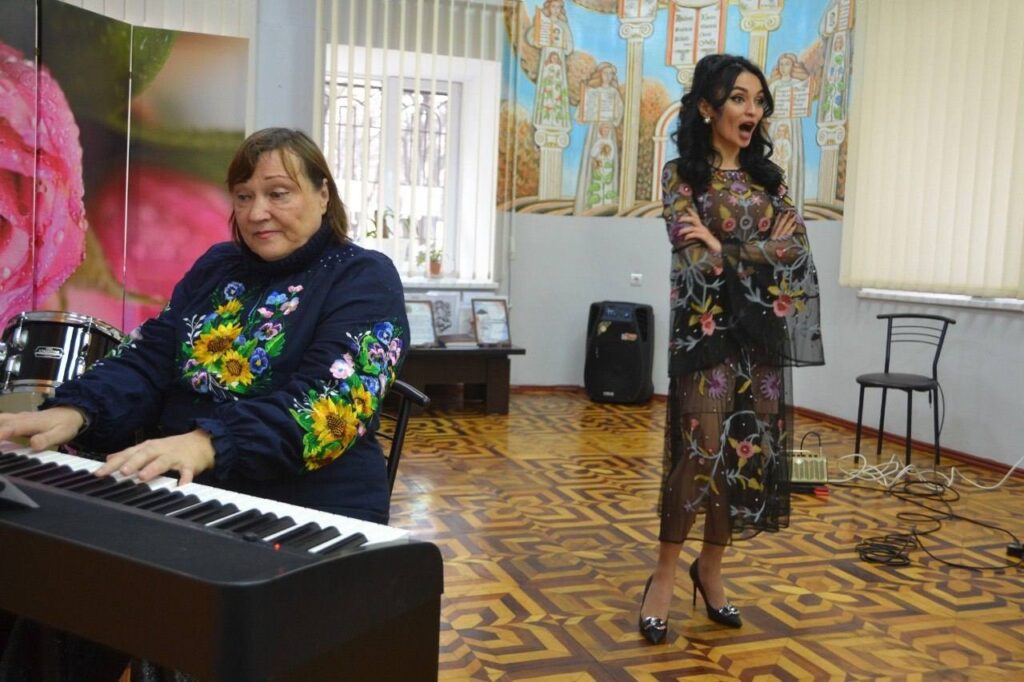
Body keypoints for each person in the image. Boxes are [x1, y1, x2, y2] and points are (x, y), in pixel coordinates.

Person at [0, 127, 410, 677]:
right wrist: (76, 409)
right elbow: (150, 357)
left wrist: (206, 443)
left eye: (278, 193)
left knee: (129, 599)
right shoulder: (217, 267)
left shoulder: (364, 276)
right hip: (187, 493)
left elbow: (332, 407)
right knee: (50, 585)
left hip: (302, 508)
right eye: (243, 196)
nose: (257, 212)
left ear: (323, 194)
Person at [638, 54, 824, 645]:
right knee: (700, 451)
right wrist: (747, 252)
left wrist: (723, 245)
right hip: (705, 333)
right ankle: (664, 576)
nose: (753, 110)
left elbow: (798, 251)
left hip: (760, 338)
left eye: (759, 101)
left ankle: (711, 570)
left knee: (746, 454)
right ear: (707, 107)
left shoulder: (770, 180)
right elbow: (691, 254)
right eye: (740, 98)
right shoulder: (681, 176)